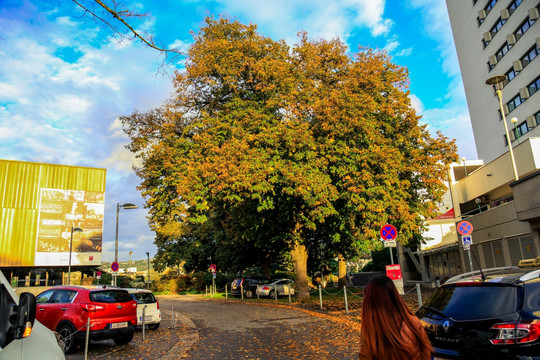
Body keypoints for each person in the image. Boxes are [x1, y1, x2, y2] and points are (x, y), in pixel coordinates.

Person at [359, 275, 431, 360]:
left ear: (370, 300)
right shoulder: (412, 321)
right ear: (394, 294)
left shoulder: (371, 328)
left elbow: (365, 356)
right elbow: (426, 354)